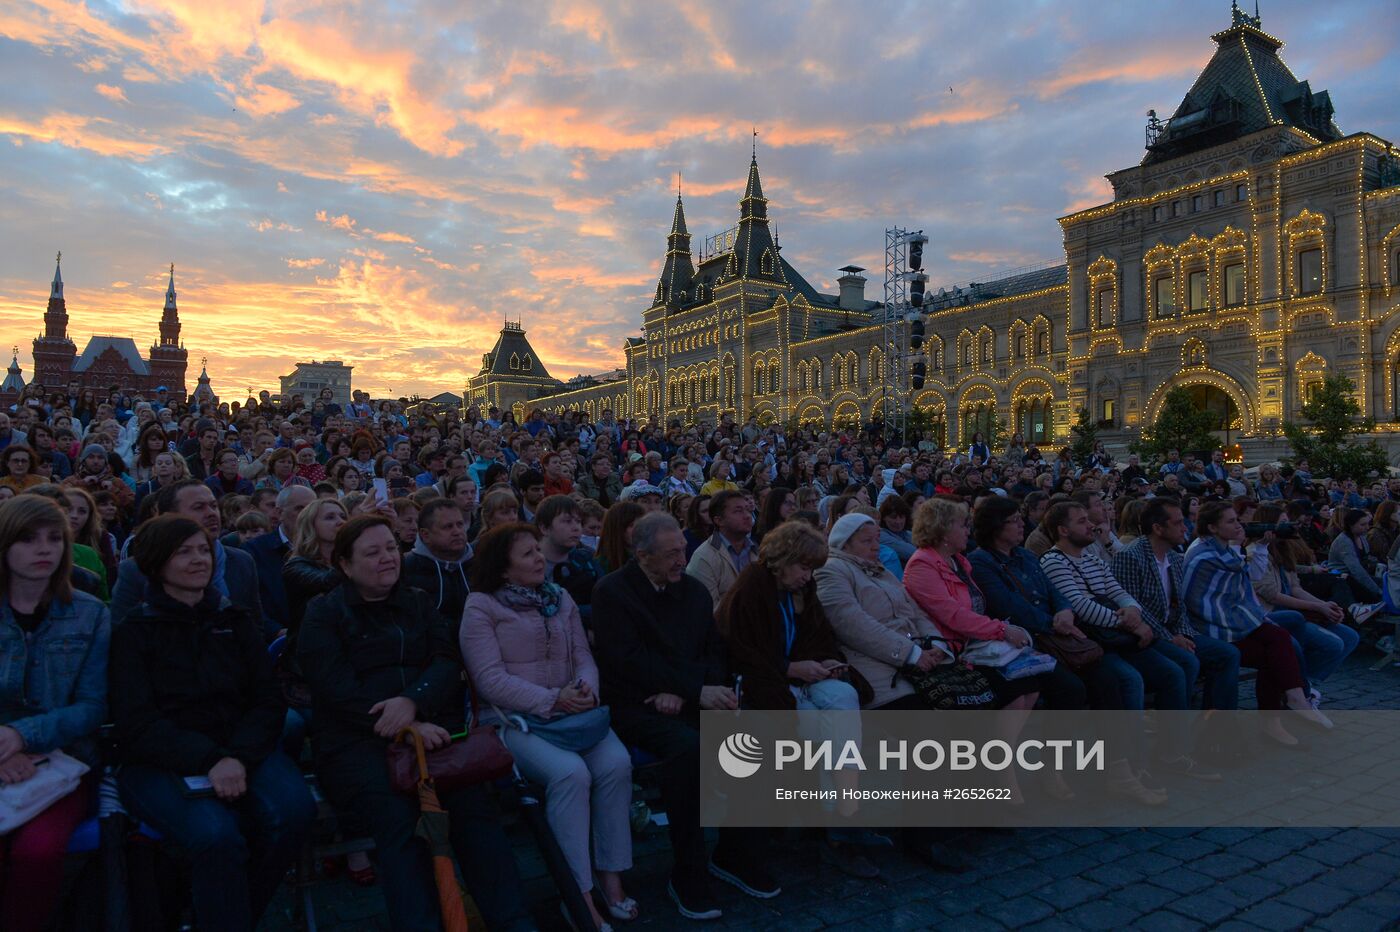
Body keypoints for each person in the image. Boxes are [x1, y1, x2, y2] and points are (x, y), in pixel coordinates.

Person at [295, 515, 533, 931]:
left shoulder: (418, 601)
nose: (388, 558)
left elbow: (446, 659)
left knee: (475, 811)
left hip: (432, 730)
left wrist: (413, 701)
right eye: (373, 552)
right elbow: (335, 688)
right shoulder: (323, 614)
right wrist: (406, 723)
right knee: (398, 821)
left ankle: (513, 922)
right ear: (345, 565)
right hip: (359, 742)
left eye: (391, 548)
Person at [110, 515, 315, 932]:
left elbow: (265, 699)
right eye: (183, 552)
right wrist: (212, 759)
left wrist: (236, 756)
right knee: (215, 836)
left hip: (240, 748)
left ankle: (221, 917)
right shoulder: (134, 632)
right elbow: (137, 721)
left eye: (203, 550)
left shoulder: (232, 620)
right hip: (163, 760)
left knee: (294, 812)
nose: (198, 559)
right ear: (156, 562)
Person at [592, 512, 775, 920]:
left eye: (682, 550)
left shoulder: (691, 591)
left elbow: (712, 649)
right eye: (672, 553)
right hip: (636, 703)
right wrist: (691, 690)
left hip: (688, 696)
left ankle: (736, 852)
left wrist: (697, 690)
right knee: (688, 750)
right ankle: (687, 870)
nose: (682, 558)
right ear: (642, 555)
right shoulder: (613, 592)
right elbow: (625, 660)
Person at [462, 523, 633, 932]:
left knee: (616, 764)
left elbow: (583, 657)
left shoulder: (561, 598)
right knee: (569, 774)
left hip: (572, 712)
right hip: (513, 719)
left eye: (538, 551)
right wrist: (551, 699)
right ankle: (578, 894)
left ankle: (611, 875)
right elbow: (489, 679)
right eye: (528, 555)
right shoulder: (481, 607)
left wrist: (585, 689)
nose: (540, 559)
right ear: (504, 569)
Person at [719, 521, 880, 878]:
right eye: (804, 567)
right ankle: (835, 824)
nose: (808, 576)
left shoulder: (800, 590)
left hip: (801, 672)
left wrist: (827, 659)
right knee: (808, 721)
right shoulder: (752, 589)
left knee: (843, 697)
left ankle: (842, 810)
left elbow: (815, 634)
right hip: (769, 680)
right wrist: (791, 667)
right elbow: (741, 651)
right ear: (784, 559)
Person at [0, 497, 111, 932]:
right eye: (27, 540)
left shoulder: (89, 614)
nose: (43, 549)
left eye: (53, 539)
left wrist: (22, 736)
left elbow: (91, 707)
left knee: (38, 851)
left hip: (63, 758)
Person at [1181, 502, 1332, 747]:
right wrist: (1246, 546)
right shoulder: (1205, 553)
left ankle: (1288, 705)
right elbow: (1217, 594)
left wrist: (1257, 545)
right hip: (1210, 627)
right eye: (1231, 521)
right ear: (1212, 527)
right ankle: (1286, 707)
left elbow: (1242, 580)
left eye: (1237, 520)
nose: (1239, 525)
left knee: (1280, 639)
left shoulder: (1225, 549)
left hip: (1232, 620)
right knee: (1277, 644)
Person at [1110, 498, 1241, 714]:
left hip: (1173, 630)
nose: (1185, 527)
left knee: (1228, 654)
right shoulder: (1130, 557)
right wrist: (1171, 638)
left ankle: (1217, 729)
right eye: (1178, 523)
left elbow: (1179, 604)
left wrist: (1182, 633)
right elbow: (1135, 606)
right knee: (1186, 662)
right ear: (1158, 528)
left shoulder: (1173, 556)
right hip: (1144, 635)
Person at [109, 479, 264, 626]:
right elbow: (121, 634)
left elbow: (255, 623)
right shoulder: (137, 570)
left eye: (214, 505)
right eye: (198, 507)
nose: (211, 513)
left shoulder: (242, 561)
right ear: (169, 516)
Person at [401, 498, 473, 625]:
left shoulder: (479, 562)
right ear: (425, 535)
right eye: (448, 527)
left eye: (460, 524)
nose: (457, 532)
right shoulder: (406, 569)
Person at [686, 489, 756, 614]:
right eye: (738, 511)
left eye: (747, 509)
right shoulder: (703, 557)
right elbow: (708, 611)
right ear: (719, 520)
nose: (747, 516)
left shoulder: (757, 551)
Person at [535, 496, 602, 626]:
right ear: (544, 528)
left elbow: (607, 603)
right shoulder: (526, 564)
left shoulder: (586, 560)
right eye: (567, 521)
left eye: (578, 521)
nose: (576, 528)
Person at [1327, 507, 1384, 604]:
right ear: (1350, 525)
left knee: (1385, 583)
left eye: (1367, 524)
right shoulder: (1344, 542)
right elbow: (1356, 570)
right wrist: (1378, 591)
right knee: (1377, 591)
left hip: (1356, 574)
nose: (1367, 527)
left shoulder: (1361, 537)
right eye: (1363, 525)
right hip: (1342, 578)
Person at [595, 500, 645, 575]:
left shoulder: (648, 559)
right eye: (631, 525)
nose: (638, 529)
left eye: (641, 524)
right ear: (617, 529)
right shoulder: (600, 565)